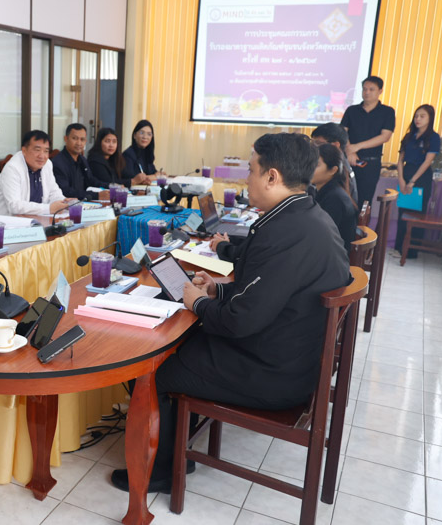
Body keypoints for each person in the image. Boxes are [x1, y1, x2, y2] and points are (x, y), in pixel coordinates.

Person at [110, 133, 350, 494]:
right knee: (183, 341)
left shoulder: (284, 232)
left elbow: (241, 320)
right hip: (290, 354)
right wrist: (216, 290)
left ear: (272, 177)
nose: (245, 179)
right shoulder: (309, 217)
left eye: (251, 170)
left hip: (271, 372)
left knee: (151, 367)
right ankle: (178, 447)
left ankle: (161, 470)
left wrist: (196, 302)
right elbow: (269, 292)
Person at [340, 76, 397, 207]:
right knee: (344, 199)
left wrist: (357, 147)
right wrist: (350, 151)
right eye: (364, 89)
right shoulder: (352, 110)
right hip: (349, 161)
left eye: (371, 89)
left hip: (371, 163)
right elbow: (343, 132)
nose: (367, 92)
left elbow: (385, 136)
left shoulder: (387, 112)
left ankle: (361, 221)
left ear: (380, 91)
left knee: (365, 201)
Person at [394, 104, 440, 258]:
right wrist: (401, 179)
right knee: (403, 213)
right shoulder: (409, 136)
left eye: (422, 116)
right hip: (406, 174)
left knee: (415, 214)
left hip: (421, 178)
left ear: (430, 119)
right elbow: (400, 160)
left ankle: (411, 251)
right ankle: (399, 248)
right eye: (416, 116)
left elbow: (427, 162)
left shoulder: (433, 137)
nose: (418, 119)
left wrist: (412, 181)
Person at [0, 130, 70, 216]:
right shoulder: (12, 168)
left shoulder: (47, 164)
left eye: (46, 151)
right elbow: (14, 206)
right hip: (7, 221)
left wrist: (64, 202)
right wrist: (49, 208)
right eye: (37, 150)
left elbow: (54, 192)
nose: (42, 156)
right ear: (24, 150)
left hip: (36, 219)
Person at [311, 143, 359, 252]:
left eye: (316, 165)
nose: (309, 168)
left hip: (334, 257)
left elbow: (322, 237)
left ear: (333, 170)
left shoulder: (334, 198)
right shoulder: (329, 191)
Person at [52, 123, 108, 200]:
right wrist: (96, 195)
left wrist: (111, 187)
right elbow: (65, 191)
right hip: (67, 204)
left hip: (83, 202)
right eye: (74, 138)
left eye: (82, 139)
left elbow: (91, 180)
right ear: (66, 139)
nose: (79, 143)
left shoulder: (82, 159)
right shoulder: (58, 163)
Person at [310, 122, 358, 202]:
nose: (313, 147)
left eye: (318, 143)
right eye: (312, 142)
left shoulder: (339, 168)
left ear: (335, 145)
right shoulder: (342, 163)